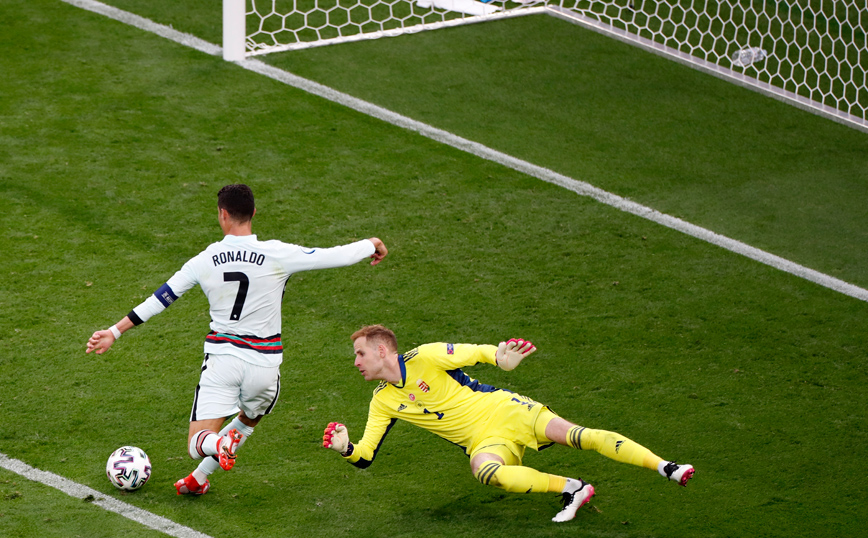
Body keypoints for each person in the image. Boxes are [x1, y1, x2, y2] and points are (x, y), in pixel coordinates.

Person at [86, 184, 388, 496]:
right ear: (253, 213)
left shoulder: (205, 259)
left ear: (223, 214)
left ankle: (218, 444)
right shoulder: (277, 253)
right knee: (249, 418)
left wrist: (114, 331)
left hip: (223, 362)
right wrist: (371, 244)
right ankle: (199, 478)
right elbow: (333, 256)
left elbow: (162, 298)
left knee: (198, 442)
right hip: (265, 367)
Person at [322, 325, 694, 523]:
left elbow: (479, 353)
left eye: (360, 353)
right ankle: (574, 488)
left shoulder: (427, 356)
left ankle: (666, 466)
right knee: (486, 472)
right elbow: (366, 456)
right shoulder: (382, 401)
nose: (356, 362)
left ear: (382, 350)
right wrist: (346, 449)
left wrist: (501, 359)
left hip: (507, 410)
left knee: (579, 436)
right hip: (484, 441)